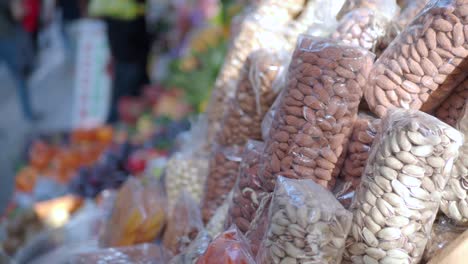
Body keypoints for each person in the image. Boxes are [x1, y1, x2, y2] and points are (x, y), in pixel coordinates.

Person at [89, 0, 150, 123]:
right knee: (129, 70)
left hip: (121, 14)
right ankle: (118, 120)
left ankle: (118, 118)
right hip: (126, 16)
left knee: (124, 69)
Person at [0, 0, 41, 121]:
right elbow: (19, 14)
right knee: (21, 76)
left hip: (7, 36)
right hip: (8, 37)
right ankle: (28, 113)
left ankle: (28, 113)